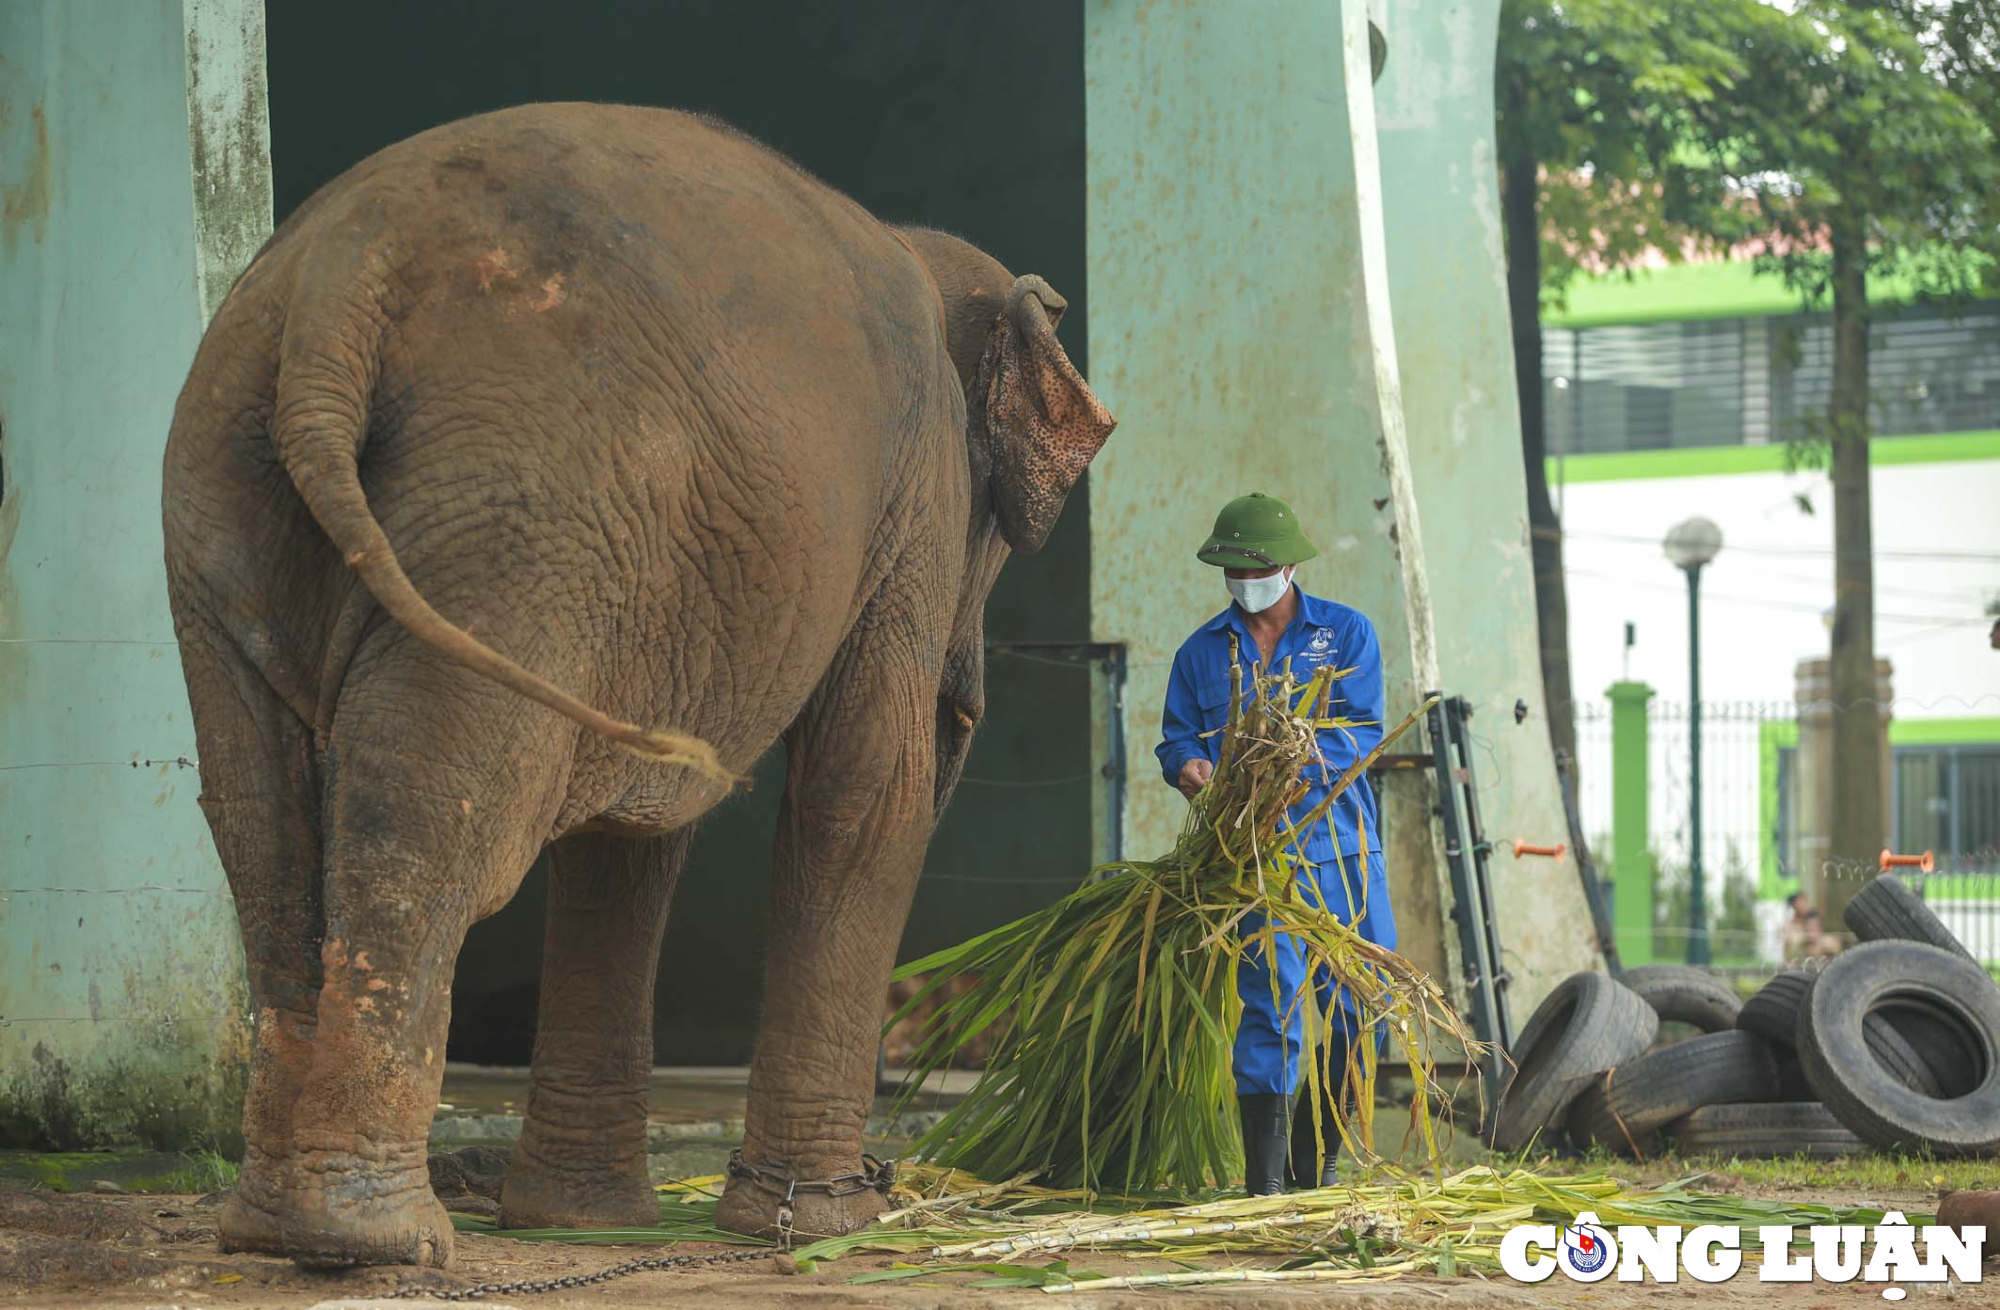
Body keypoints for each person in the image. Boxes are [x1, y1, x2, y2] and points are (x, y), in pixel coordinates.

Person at [1155, 492, 1395, 1195]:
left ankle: (1314, 1153)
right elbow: (1176, 737)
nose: (1241, 582)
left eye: (1252, 568)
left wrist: (1297, 757)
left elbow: (1366, 730)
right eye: (1229, 569)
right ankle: (1267, 1185)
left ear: (1290, 565)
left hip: (1342, 854)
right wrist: (1186, 767)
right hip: (1255, 861)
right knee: (1273, 1007)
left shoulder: (1346, 634)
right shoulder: (1202, 653)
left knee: (1360, 1004)